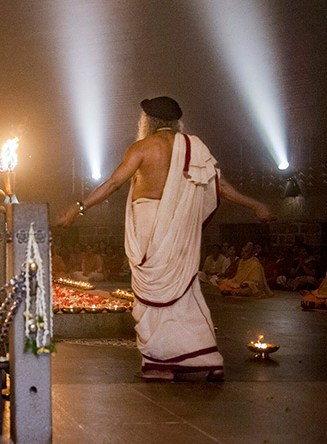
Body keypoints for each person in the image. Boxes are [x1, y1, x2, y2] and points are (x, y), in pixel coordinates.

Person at [58, 96, 274, 381]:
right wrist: (254, 204)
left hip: (149, 225)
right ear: (176, 122)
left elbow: (114, 183)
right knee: (185, 293)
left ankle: (161, 365)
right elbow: (217, 184)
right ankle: (207, 359)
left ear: (148, 122)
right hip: (180, 226)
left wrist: (80, 207)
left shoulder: (143, 147)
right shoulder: (193, 147)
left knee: (150, 298)